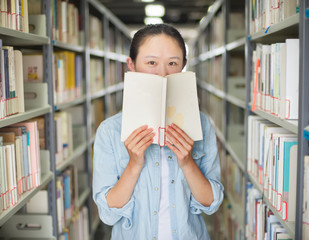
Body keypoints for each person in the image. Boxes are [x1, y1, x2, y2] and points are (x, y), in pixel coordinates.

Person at [92, 23, 224, 240]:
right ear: (131, 65)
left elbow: (211, 204)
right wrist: (134, 164)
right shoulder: (109, 131)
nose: (162, 73)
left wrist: (187, 162)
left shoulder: (202, 124)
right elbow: (108, 214)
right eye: (151, 62)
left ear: (183, 66)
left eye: (172, 63)